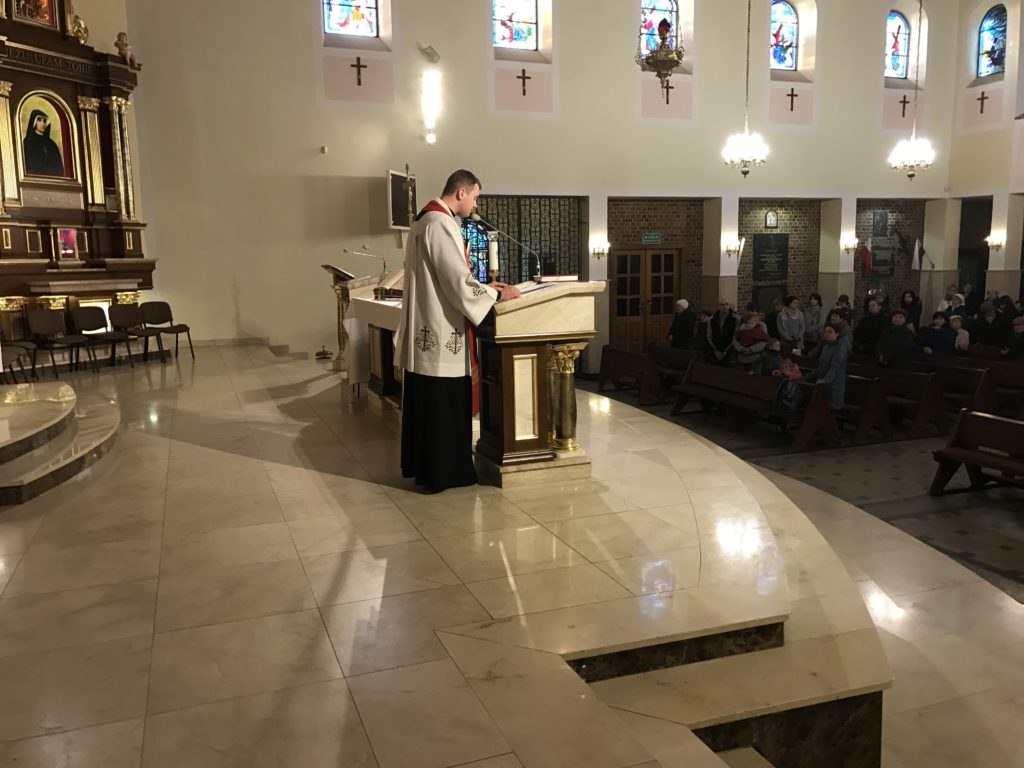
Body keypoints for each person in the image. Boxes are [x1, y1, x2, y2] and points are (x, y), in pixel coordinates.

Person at [396, 169, 520, 492]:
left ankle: (427, 469)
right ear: (461, 192)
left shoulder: (425, 220)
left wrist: (485, 287)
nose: (475, 204)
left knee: (429, 404)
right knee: (443, 405)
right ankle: (446, 473)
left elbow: (449, 276)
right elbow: (456, 282)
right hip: (441, 334)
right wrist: (496, 295)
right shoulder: (439, 223)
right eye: (475, 197)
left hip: (430, 329)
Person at [805, 325, 849, 410]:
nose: (827, 334)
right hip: (822, 387)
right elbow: (821, 367)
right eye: (825, 332)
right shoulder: (826, 347)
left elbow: (835, 368)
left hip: (833, 388)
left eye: (830, 332)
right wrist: (809, 376)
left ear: (836, 334)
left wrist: (825, 380)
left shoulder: (840, 348)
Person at [22, 109, 65, 177]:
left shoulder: (51, 144)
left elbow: (59, 168)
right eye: (39, 120)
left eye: (44, 121)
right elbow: (28, 167)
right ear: (34, 122)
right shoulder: (28, 142)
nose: (43, 123)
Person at [706, 298, 737, 365]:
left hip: (729, 351)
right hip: (715, 351)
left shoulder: (735, 319)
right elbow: (709, 336)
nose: (724, 307)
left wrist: (725, 351)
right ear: (718, 307)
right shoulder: (712, 319)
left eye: (726, 304)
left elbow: (735, 336)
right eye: (722, 305)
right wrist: (715, 350)